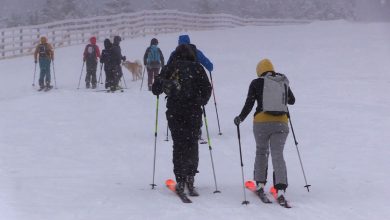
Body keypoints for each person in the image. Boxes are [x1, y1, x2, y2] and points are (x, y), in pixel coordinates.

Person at [152, 44, 212, 196]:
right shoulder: (198, 68)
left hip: (175, 111)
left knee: (179, 144)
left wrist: (163, 84)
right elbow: (207, 88)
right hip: (193, 111)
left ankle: (180, 177)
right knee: (192, 143)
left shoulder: (171, 67)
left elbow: (155, 89)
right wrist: (201, 100)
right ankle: (190, 176)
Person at [234, 59, 295, 206]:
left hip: (261, 123)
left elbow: (249, 103)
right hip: (281, 123)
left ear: (259, 71)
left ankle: (260, 184)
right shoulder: (281, 81)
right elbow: (292, 101)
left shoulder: (256, 83)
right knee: (277, 154)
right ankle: (280, 189)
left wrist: (240, 118)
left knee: (261, 152)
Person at [167, 34, 213, 141]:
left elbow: (167, 68)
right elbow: (209, 65)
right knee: (195, 105)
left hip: (178, 84)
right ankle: (197, 129)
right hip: (195, 83)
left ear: (179, 42)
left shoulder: (175, 53)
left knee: (178, 105)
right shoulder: (196, 52)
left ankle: (178, 127)